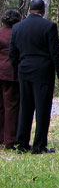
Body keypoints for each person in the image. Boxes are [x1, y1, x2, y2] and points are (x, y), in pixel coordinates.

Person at [8, 0, 59, 153]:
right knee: (42, 108)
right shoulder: (49, 26)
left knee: (25, 107)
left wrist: (18, 69)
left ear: (29, 10)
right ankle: (39, 145)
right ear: (43, 10)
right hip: (43, 70)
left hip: (24, 69)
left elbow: (12, 53)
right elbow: (55, 52)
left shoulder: (18, 27)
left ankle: (22, 143)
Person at [0, 9, 22, 149]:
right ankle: (10, 139)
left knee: (1, 106)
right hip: (11, 73)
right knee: (12, 106)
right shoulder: (18, 33)